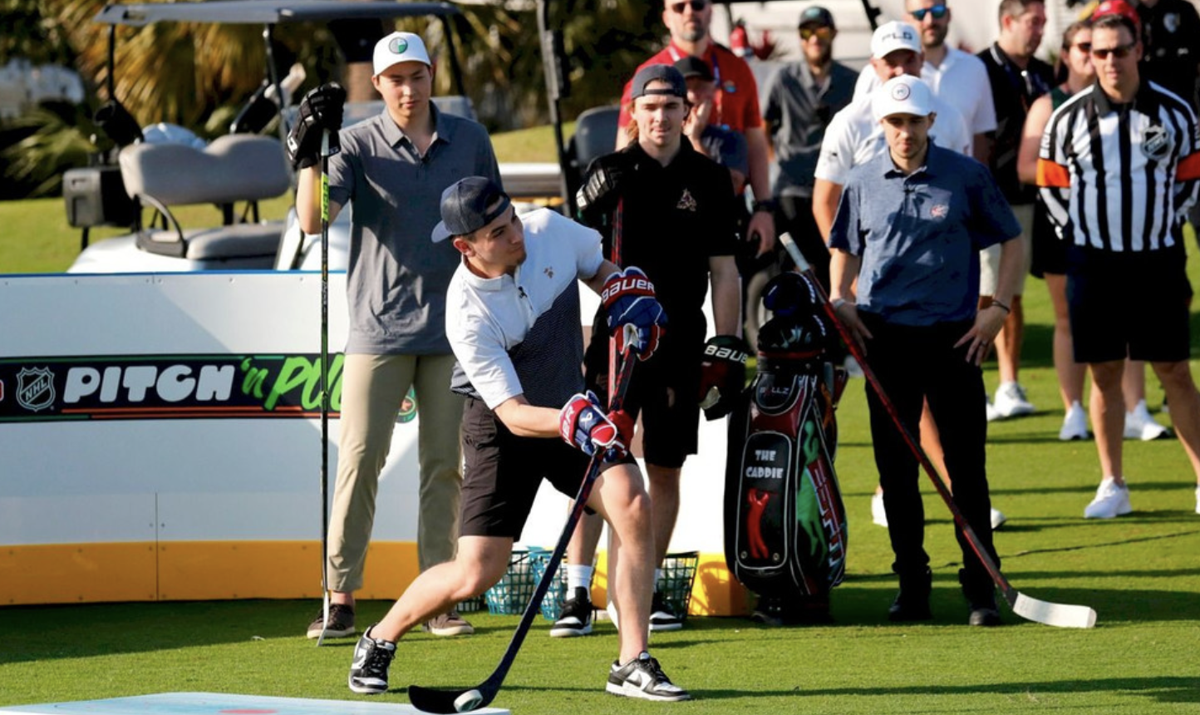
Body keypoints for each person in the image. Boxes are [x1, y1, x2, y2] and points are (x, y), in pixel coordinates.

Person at [344, 175, 689, 702]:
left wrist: (622, 292)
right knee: (476, 571)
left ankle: (631, 661)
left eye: (511, 219)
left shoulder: (546, 229)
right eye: (498, 232)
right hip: (504, 430)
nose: (515, 236)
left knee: (631, 501)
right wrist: (574, 418)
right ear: (466, 247)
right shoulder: (466, 312)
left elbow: (598, 269)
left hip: (572, 410)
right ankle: (379, 639)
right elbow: (513, 413)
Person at [291, 32, 501, 640]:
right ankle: (339, 598)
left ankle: (439, 597)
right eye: (395, 79)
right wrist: (309, 156)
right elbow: (312, 220)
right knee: (359, 461)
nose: (408, 89)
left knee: (445, 467)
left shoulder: (471, 138)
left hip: (457, 328)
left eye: (417, 76)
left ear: (432, 76)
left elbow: (495, 220)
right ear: (377, 85)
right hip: (377, 329)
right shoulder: (355, 144)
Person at [552, 64, 743, 637]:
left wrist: (729, 345)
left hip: (682, 338)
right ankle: (578, 592)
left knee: (664, 465)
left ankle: (647, 586)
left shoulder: (710, 179)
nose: (660, 118)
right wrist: (588, 209)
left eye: (671, 107)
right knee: (597, 461)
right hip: (615, 340)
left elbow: (725, 271)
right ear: (633, 113)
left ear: (690, 112)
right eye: (649, 107)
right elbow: (570, 254)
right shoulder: (608, 171)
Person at [829, 74, 1023, 626]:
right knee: (896, 472)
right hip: (884, 339)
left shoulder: (966, 176)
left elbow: (1012, 239)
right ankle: (912, 584)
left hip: (955, 339)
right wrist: (841, 298)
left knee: (967, 468)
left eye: (914, 121)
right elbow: (843, 246)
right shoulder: (864, 179)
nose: (905, 132)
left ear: (931, 123)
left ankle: (980, 586)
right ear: (881, 125)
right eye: (895, 122)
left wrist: (1000, 308)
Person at [812, 21, 990, 531]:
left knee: (958, 444)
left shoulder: (949, 116)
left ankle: (973, 551)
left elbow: (965, 203)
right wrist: (848, 282)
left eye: (908, 59)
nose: (899, 68)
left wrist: (991, 300)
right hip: (881, 310)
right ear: (874, 66)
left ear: (920, 62)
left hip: (946, 309)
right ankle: (908, 565)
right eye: (889, 61)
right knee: (896, 447)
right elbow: (832, 210)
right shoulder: (850, 123)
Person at [1037, 12, 1200, 519]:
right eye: (1098, 51)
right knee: (1104, 372)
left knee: (1174, 369)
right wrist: (1077, 233)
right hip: (1094, 264)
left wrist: (1163, 222)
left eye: (1119, 50)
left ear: (1139, 49)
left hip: (1158, 260)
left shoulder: (1175, 112)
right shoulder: (1068, 117)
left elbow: (1191, 175)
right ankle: (1114, 483)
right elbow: (1049, 181)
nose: (1109, 61)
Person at [615, 0, 776, 260]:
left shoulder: (736, 68)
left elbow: (756, 142)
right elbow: (624, 150)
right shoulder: (645, 76)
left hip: (728, 208)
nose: (690, 12)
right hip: (663, 211)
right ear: (666, 16)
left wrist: (764, 207)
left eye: (698, 4)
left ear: (710, 10)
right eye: (680, 7)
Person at [1016, 20, 1095, 442]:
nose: (1092, 55)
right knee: (1067, 319)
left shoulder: (1124, 102)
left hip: (1114, 224)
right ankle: (1074, 410)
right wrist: (1078, 174)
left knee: (1122, 318)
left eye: (1099, 48)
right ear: (1065, 54)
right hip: (1061, 222)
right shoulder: (1049, 103)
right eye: (1083, 46)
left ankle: (1134, 407)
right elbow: (1025, 168)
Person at [977, 0, 1055, 421]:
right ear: (1008, 21)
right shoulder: (980, 68)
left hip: (1027, 199)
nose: (1040, 29)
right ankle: (974, 383)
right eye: (1033, 21)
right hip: (986, 199)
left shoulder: (1045, 72)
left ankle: (1009, 383)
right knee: (982, 293)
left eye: (1042, 21)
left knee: (1013, 294)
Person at [762, 5, 857, 292]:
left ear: (834, 33)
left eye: (821, 30)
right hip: (792, 190)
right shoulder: (783, 78)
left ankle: (837, 334)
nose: (814, 37)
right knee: (795, 271)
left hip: (835, 190)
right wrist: (777, 161)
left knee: (834, 266)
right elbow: (763, 127)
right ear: (800, 38)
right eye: (807, 31)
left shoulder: (851, 80)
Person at [851, 0, 997, 164]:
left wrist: (975, 183)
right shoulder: (875, 73)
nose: (930, 20)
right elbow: (856, 129)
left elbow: (981, 136)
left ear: (948, 14)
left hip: (953, 182)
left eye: (938, 11)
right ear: (906, 19)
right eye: (920, 14)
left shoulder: (974, 67)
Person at [675, 56, 749, 194]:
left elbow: (723, 190)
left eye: (699, 87)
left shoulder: (731, 139)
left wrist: (694, 139)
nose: (692, 96)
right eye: (685, 88)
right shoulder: (659, 137)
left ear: (713, 91)